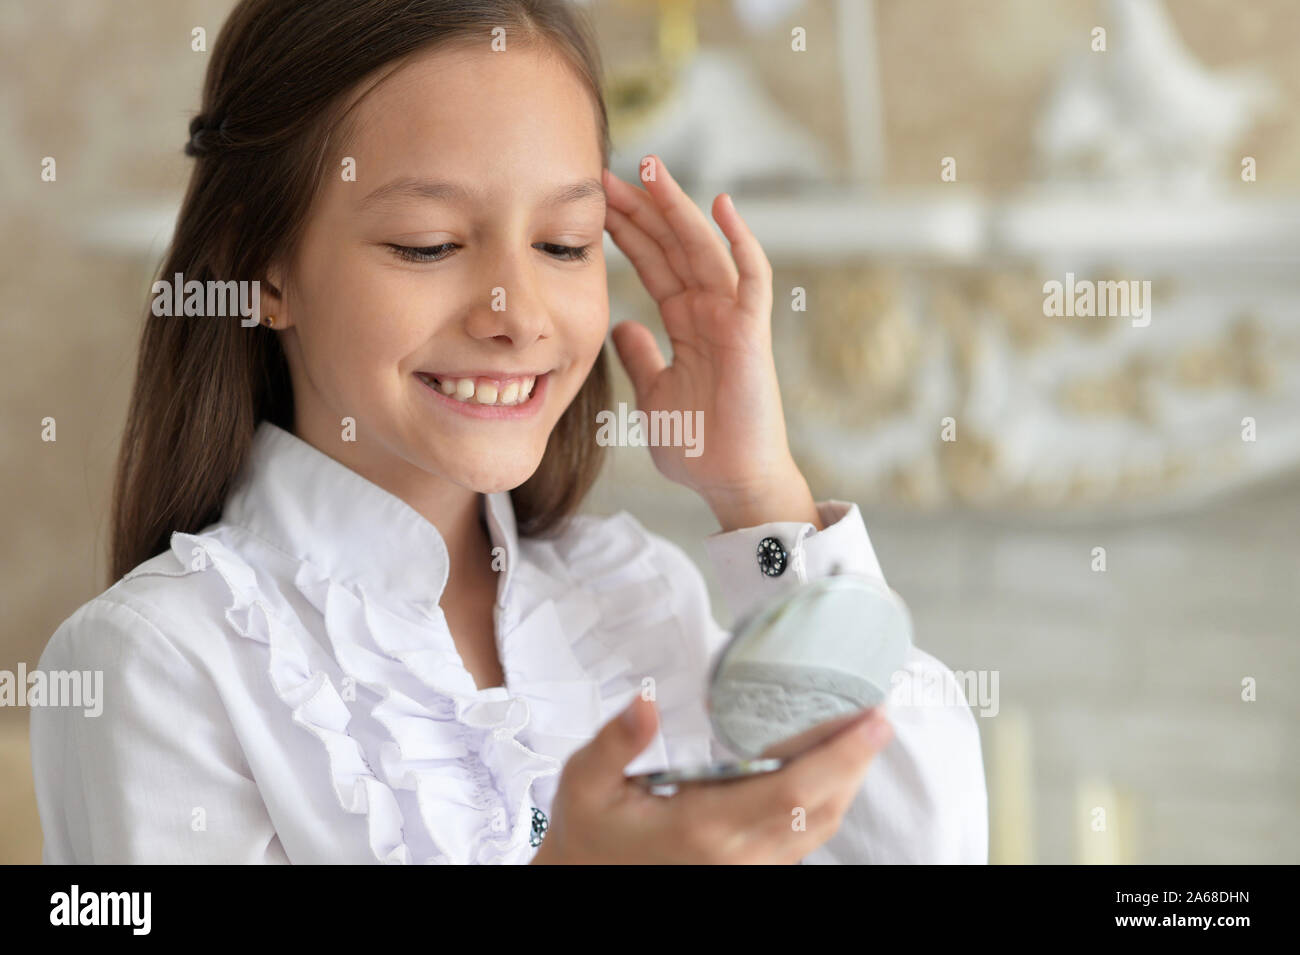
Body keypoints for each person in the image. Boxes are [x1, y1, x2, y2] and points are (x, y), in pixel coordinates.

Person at [30, 0, 987, 864]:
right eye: (430, 245)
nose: (517, 313)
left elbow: (920, 846)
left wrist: (760, 493)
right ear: (262, 265)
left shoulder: (635, 594)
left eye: (563, 245)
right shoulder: (158, 662)